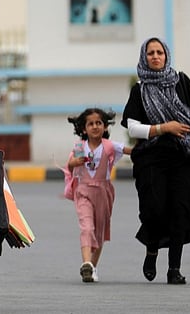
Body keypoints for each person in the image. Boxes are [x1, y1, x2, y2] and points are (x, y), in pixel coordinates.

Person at [121, 37, 190, 285]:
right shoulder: (139, 90)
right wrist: (164, 128)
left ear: (166, 55)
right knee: (154, 209)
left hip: (182, 156)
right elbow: (133, 127)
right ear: (144, 57)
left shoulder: (181, 81)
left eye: (159, 52)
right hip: (152, 157)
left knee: (179, 210)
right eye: (150, 53)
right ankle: (151, 250)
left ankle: (174, 269)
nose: (155, 57)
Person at [66, 108, 132, 283]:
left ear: (105, 126)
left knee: (100, 231)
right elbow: (71, 167)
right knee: (87, 228)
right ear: (84, 128)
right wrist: (74, 162)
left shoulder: (109, 146)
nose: (95, 127)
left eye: (99, 123)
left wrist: (148, 144)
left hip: (104, 192)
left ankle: (92, 268)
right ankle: (86, 263)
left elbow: (130, 151)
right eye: (90, 124)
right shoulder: (80, 147)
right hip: (84, 191)